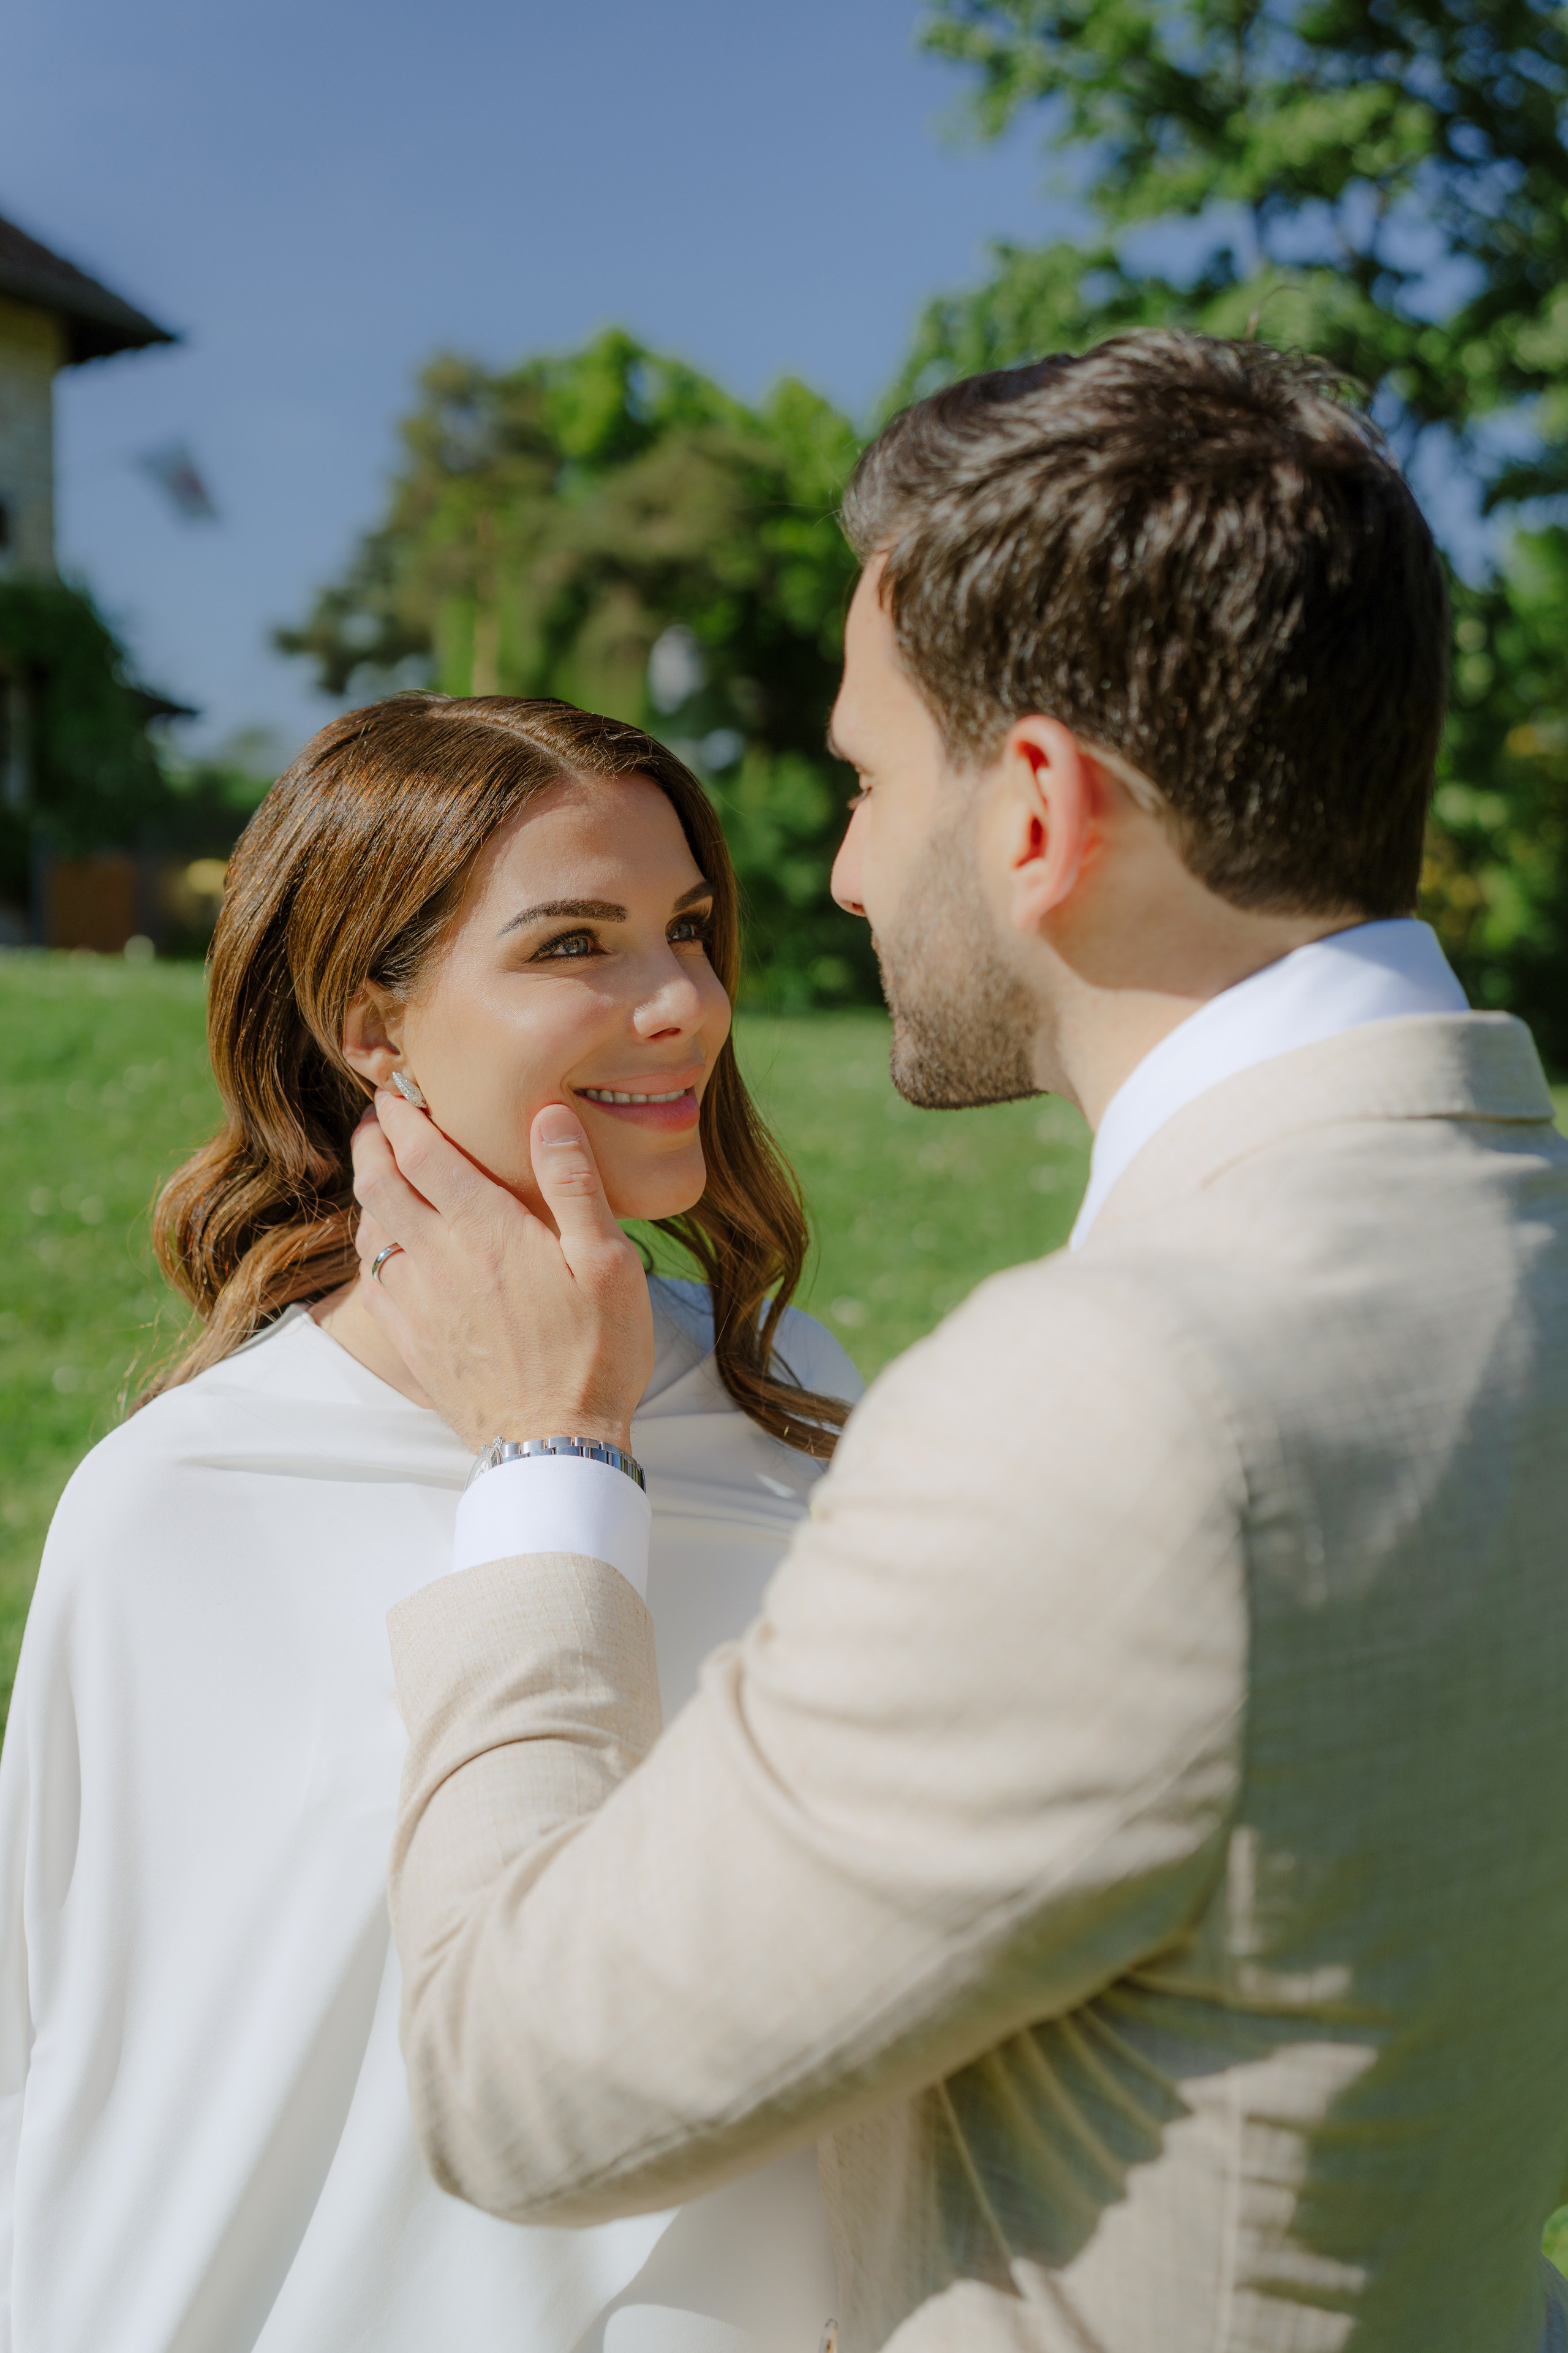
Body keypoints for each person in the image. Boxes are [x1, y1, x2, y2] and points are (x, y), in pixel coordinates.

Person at [353, 333, 1568, 2353]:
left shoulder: (1116, 1404)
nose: (833, 870)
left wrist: (545, 1465)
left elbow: (518, 2077)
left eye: (862, 779)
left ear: (1033, 810)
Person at [0, 696, 861, 2353]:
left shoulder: (803, 1412)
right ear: (369, 1027)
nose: (682, 1001)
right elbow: (61, 2060)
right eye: (575, 944)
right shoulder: (178, 1505)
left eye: (685, 928)